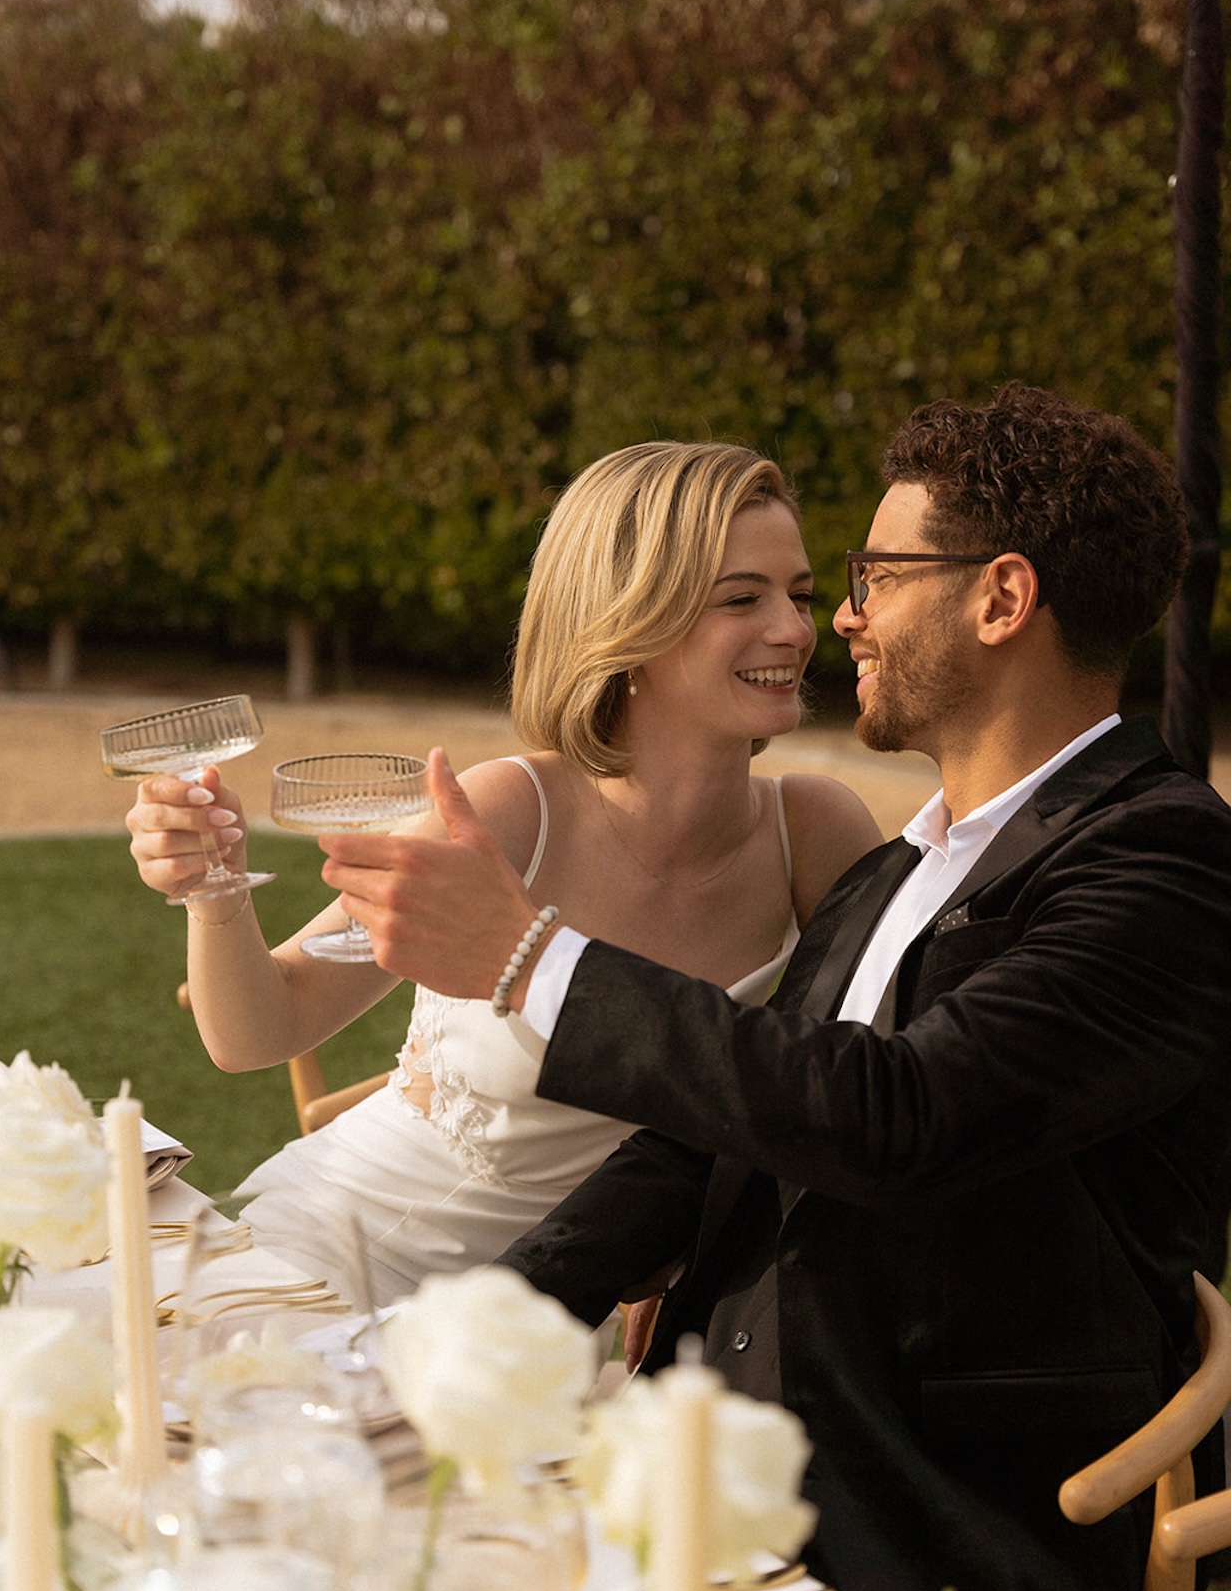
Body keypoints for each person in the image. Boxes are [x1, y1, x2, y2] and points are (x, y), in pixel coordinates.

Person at [320, 383, 1231, 1591]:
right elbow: (717, 1139)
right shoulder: (898, 862)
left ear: (1001, 600)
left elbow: (898, 1115)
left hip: (921, 1524)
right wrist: (472, 1329)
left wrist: (529, 962)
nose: (838, 618)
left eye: (874, 577)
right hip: (703, 1452)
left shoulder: (1163, 868)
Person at [125, 440, 880, 1306]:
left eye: (800, 594)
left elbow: (849, 1101)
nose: (793, 629)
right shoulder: (511, 810)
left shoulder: (815, 833)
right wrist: (212, 889)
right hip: (339, 1260)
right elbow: (256, 1031)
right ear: (629, 621)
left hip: (559, 1312)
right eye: (742, 598)